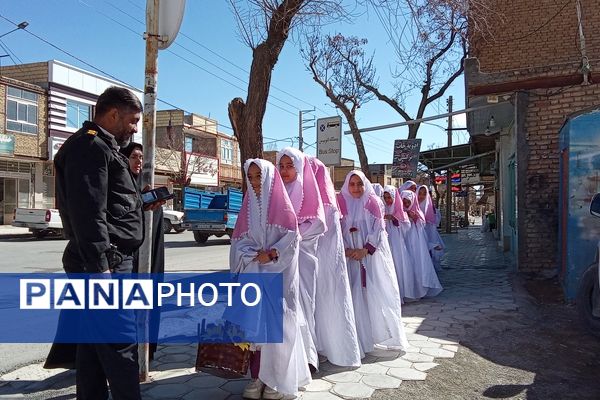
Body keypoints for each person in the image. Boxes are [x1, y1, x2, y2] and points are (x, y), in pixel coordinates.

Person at [53, 86, 156, 400]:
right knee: (120, 343)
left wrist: (140, 204)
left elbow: (109, 204)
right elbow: (88, 213)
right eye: (132, 120)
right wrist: (101, 269)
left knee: (93, 348)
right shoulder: (91, 147)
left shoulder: (105, 147)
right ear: (113, 114)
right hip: (103, 265)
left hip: (104, 261)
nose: (135, 128)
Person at [230, 159, 311, 400]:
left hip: (279, 278)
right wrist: (252, 255)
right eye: (251, 177)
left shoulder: (283, 209)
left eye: (259, 177)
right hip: (254, 276)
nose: (255, 182)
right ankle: (257, 378)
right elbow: (237, 243)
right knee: (255, 330)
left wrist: (273, 253)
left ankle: (277, 380)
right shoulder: (247, 209)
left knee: (279, 328)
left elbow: (291, 240)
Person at [337, 171, 409, 355]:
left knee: (372, 293)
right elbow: (337, 228)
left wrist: (365, 250)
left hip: (370, 257)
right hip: (349, 256)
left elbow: (378, 229)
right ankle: (356, 339)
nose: (355, 188)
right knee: (352, 295)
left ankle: (374, 335)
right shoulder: (341, 202)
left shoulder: (373, 202)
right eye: (351, 184)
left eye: (359, 184)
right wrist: (346, 249)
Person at [308, 156, 361, 367]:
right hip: (305, 263)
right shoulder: (300, 196)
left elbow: (327, 237)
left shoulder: (328, 203)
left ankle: (330, 347)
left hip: (325, 263)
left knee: (327, 302)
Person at [276, 147, 326, 371]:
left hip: (302, 258)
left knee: (303, 304)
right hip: (279, 258)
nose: (285, 171)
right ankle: (286, 358)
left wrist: (292, 238)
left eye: (290, 166)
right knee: (283, 306)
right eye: (282, 166)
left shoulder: (306, 191)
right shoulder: (276, 192)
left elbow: (317, 224)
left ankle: (307, 357)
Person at [120, 142, 165, 361]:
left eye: (141, 158)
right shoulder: (119, 188)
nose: (138, 162)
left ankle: (145, 352)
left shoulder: (144, 187)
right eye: (134, 157)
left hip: (148, 262)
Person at [400, 190, 443, 299]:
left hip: (416, 249)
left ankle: (417, 290)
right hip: (402, 248)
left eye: (408, 202)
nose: (406, 205)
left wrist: (414, 219)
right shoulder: (399, 214)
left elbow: (423, 236)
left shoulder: (418, 215)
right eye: (403, 202)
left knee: (417, 268)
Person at [383, 185, 414, 300]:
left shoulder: (400, 210)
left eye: (389, 197)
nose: (387, 200)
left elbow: (406, 226)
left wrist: (395, 218)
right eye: (385, 197)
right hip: (388, 240)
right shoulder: (384, 208)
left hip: (397, 242)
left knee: (398, 264)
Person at [418, 185, 445, 271]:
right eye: (419, 193)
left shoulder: (430, 208)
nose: (421, 196)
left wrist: (433, 242)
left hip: (428, 236)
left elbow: (434, 225)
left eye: (424, 194)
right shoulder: (412, 206)